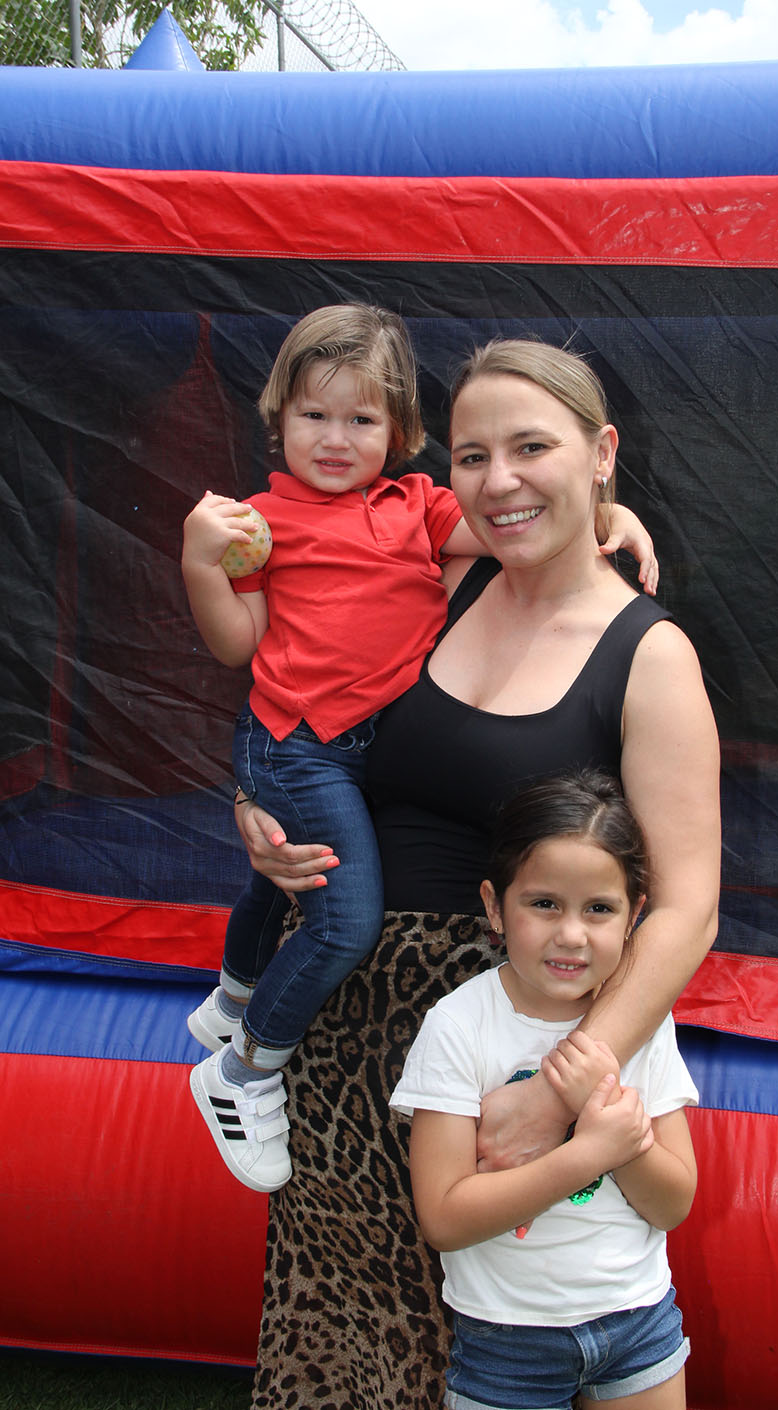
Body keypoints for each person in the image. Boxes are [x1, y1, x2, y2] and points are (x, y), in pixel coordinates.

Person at [238, 335, 721, 1410]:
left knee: (487, 1356)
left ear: (601, 453)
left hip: (513, 1055)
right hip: (343, 1039)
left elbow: (686, 908)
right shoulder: (443, 584)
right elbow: (309, 705)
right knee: (345, 1345)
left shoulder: (649, 655)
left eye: (531, 447)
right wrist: (259, 809)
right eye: (470, 455)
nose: (497, 481)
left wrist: (563, 1089)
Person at [180, 305, 659, 1193]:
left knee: (286, 878)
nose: (333, 438)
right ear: (275, 417)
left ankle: (238, 1001)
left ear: (401, 436)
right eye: (312, 416)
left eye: (361, 420)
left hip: (358, 764)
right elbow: (240, 644)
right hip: (299, 742)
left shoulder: (421, 513)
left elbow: (527, 521)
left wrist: (611, 511)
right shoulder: (261, 522)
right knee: (336, 911)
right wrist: (202, 566)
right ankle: (242, 1064)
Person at [391, 769, 699, 1410]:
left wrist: (627, 1146)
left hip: (639, 1321)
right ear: (494, 906)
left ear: (634, 914)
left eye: (599, 909)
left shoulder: (646, 1022)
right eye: (544, 904)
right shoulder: (459, 1026)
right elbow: (444, 1218)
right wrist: (588, 1152)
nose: (571, 934)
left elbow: (672, 1205)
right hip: (506, 1339)